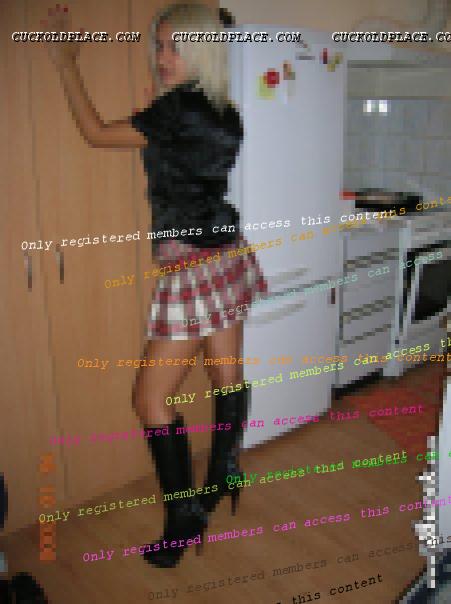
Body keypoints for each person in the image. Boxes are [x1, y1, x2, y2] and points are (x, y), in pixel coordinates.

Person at [43, 2, 267, 568]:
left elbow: (95, 133)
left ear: (202, 48)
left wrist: (66, 64)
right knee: (226, 374)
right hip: (227, 254)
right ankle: (225, 469)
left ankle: (183, 519)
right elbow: (185, 159)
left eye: (175, 46)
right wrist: (157, 114)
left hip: (191, 264)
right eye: (160, 46)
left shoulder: (175, 111)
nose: (164, 57)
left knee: (149, 400)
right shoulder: (226, 112)